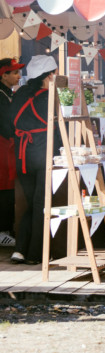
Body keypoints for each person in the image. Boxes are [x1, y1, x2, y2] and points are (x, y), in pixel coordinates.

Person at [10, 55, 60, 264]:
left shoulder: (20, 92)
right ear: (49, 76)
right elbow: (60, 127)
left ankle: (20, 248)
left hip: (22, 156)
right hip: (43, 153)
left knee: (32, 204)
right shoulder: (48, 97)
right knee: (42, 204)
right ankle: (35, 254)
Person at [0, 58, 23, 247]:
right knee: (4, 189)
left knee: (8, 188)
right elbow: (6, 124)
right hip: (3, 146)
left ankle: (6, 229)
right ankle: (2, 231)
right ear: (3, 75)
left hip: (8, 147)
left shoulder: (8, 93)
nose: (18, 76)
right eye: (14, 72)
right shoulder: (1, 95)